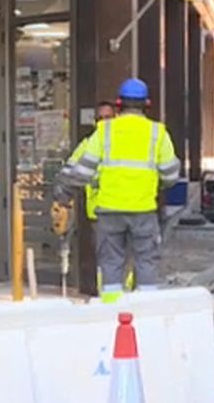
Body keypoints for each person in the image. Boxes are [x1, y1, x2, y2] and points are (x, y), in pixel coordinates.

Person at [56, 78, 180, 302]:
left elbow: (82, 170)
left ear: (119, 104)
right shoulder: (158, 133)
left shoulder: (104, 132)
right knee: (146, 261)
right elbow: (171, 175)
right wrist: (156, 183)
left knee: (111, 262)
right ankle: (146, 310)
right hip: (143, 210)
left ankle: (113, 310)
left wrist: (64, 193)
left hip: (109, 211)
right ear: (147, 104)